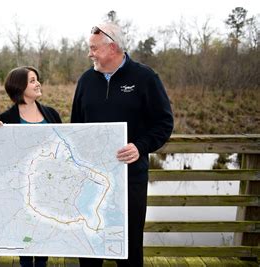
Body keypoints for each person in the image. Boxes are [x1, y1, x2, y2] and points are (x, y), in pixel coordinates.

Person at [71, 22, 173, 266]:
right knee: (89, 247)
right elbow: (76, 125)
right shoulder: (86, 80)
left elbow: (164, 123)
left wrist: (140, 146)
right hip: (91, 182)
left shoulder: (145, 78)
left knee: (128, 248)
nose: (90, 53)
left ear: (112, 47)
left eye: (94, 48)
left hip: (130, 181)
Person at [0, 66, 61, 267]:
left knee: (43, 240)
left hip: (48, 187)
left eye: (37, 79)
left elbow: (62, 147)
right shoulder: (5, 120)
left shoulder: (52, 114)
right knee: (24, 241)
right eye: (32, 81)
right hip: (20, 190)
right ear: (19, 87)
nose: (38, 83)